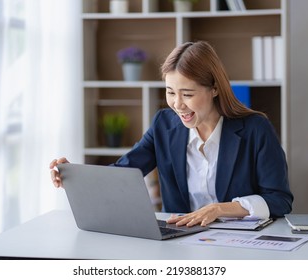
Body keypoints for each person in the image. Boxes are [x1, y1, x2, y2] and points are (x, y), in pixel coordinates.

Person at [50, 41, 293, 228]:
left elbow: (280, 200)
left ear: (215, 89)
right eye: (170, 92)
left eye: (187, 94)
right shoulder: (163, 125)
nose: (177, 105)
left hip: (240, 241)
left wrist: (220, 209)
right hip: (181, 240)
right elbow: (125, 172)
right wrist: (75, 175)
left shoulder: (255, 129)